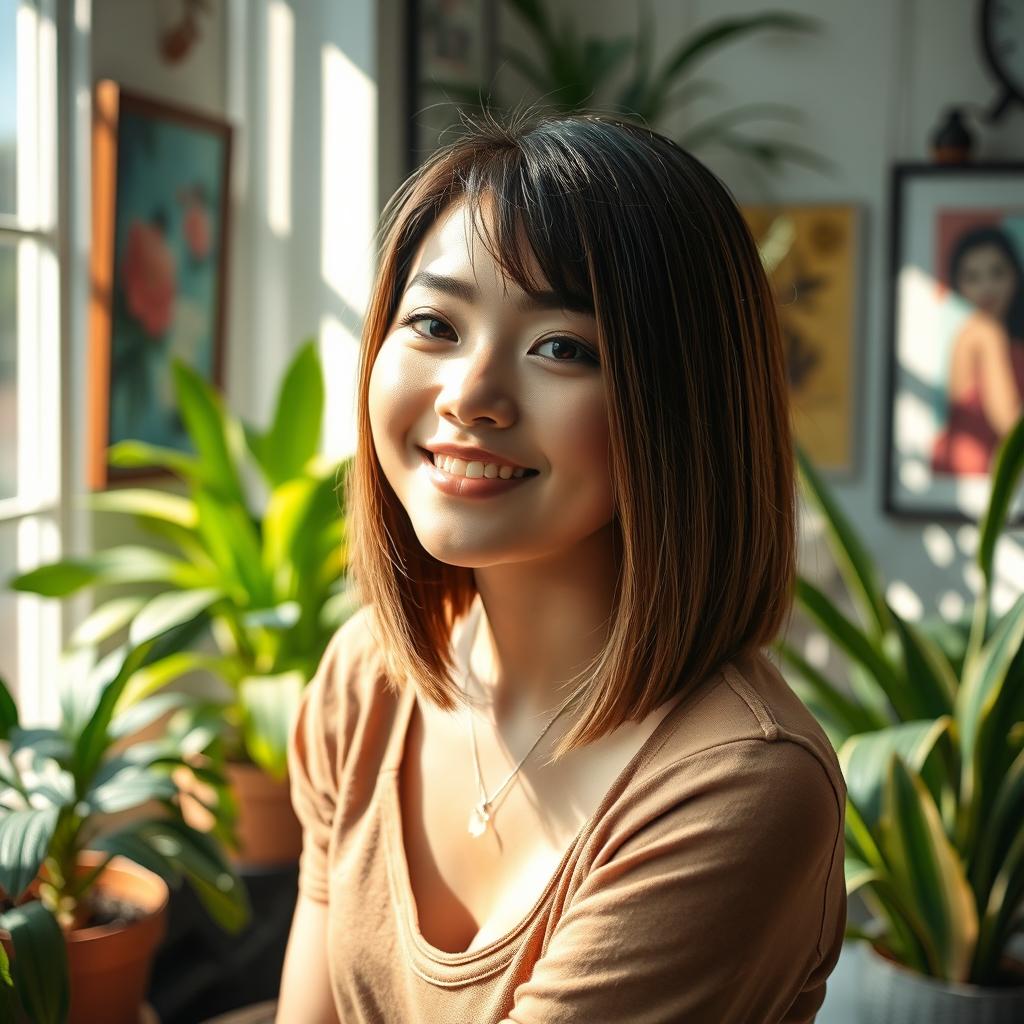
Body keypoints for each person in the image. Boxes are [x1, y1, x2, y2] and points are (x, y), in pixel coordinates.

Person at [275, 110, 847, 1023]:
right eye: (433, 323)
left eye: (563, 348)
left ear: (683, 405)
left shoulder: (736, 788)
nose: (470, 395)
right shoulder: (367, 678)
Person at [931, 225, 1024, 476]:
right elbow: (1010, 424)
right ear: (958, 284)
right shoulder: (984, 332)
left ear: (1015, 274)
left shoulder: (1003, 338)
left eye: (996, 273)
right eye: (972, 277)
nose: (986, 287)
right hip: (974, 472)